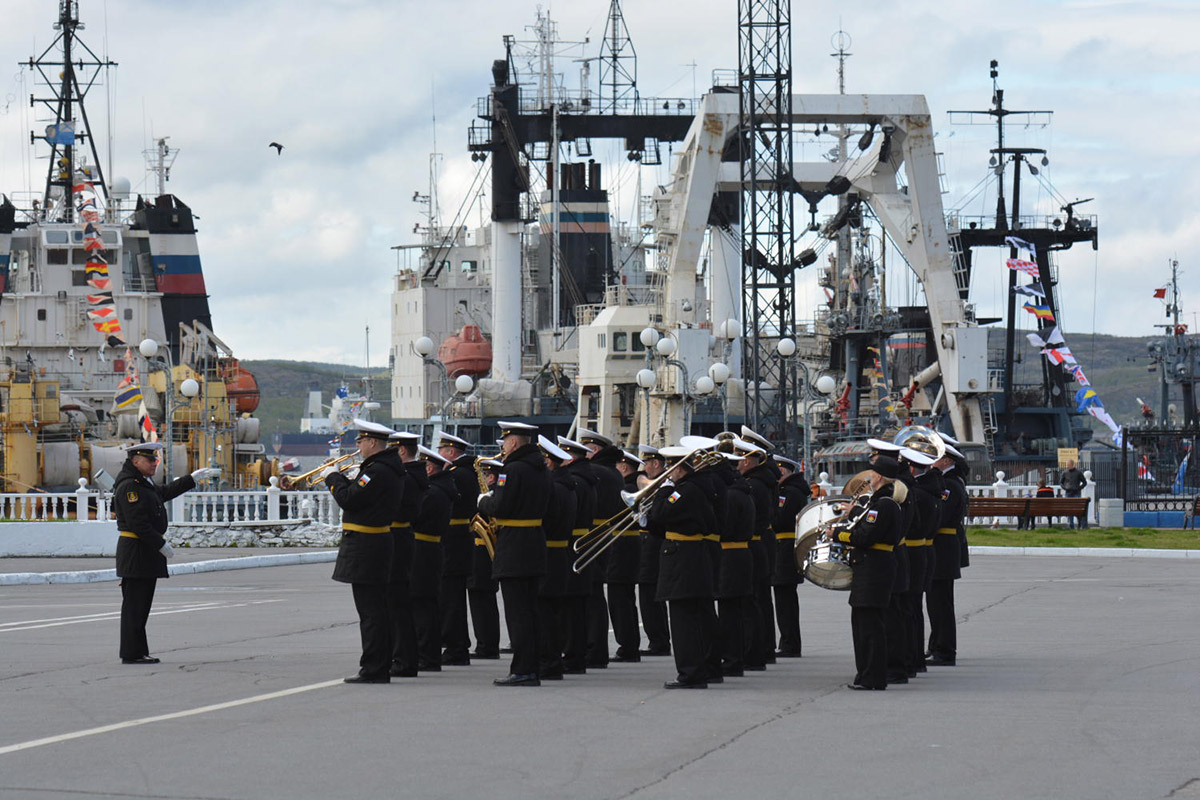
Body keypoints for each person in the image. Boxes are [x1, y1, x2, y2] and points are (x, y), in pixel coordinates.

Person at [113, 442, 217, 664]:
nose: (154, 464)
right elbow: (138, 523)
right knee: (135, 606)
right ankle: (132, 653)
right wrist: (160, 544)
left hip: (144, 552)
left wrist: (190, 479)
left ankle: (138, 651)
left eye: (155, 460)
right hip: (136, 551)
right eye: (150, 460)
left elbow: (164, 493)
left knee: (141, 606)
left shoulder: (142, 483)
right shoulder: (130, 486)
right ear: (136, 461)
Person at [326, 419, 406, 684]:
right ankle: (377, 665)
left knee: (371, 613)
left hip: (367, 547)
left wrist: (334, 479)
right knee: (376, 610)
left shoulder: (377, 471)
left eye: (360, 441)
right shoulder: (385, 469)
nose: (357, 446)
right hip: (375, 545)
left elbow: (349, 499)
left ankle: (374, 667)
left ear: (372, 443)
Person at [477, 421, 551, 686]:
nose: (503, 446)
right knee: (531, 612)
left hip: (516, 547)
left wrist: (484, 501)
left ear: (515, 443)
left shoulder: (513, 469)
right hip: (534, 543)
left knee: (518, 613)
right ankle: (532, 666)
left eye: (505, 440)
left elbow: (502, 505)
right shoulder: (541, 468)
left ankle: (522, 669)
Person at [647, 445, 717, 688]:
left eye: (670, 467)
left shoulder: (684, 491)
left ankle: (690, 673)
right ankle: (701, 669)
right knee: (696, 617)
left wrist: (663, 491)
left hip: (682, 559)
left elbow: (659, 514)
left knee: (683, 620)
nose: (668, 472)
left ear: (680, 468)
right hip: (694, 556)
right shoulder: (700, 488)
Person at [833, 455, 905, 691]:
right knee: (865, 624)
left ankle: (872, 677)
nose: (869, 476)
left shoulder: (883, 505)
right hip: (874, 567)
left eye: (872, 473)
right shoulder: (880, 503)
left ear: (879, 477)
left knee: (870, 627)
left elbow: (865, 536)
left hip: (874, 569)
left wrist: (836, 535)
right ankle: (866, 674)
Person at [411, 445, 457, 672]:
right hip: (430, 549)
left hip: (423, 550)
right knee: (426, 604)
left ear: (429, 469)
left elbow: (414, 516)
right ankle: (428, 653)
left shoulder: (433, 492)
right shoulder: (440, 489)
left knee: (422, 605)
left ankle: (427, 655)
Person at [536, 435, 577, 680]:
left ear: (550, 462)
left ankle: (549, 661)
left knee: (545, 612)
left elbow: (546, 520)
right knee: (553, 611)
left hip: (549, 553)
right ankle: (553, 660)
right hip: (559, 553)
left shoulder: (555, 488)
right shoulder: (567, 486)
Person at [436, 432, 477, 666]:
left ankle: (456, 647)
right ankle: (456, 645)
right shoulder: (466, 472)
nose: (439, 455)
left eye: (442, 450)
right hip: (458, 539)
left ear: (451, 452)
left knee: (451, 599)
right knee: (452, 598)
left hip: (453, 540)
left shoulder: (457, 474)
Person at [387, 430, 425, 677]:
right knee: (398, 604)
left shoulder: (407, 478)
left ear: (401, 450)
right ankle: (403, 657)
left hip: (398, 541)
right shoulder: (412, 475)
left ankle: (404, 659)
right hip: (403, 539)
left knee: (397, 605)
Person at [927, 444, 967, 667]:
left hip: (943, 548)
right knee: (936, 602)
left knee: (940, 603)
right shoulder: (948, 482)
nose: (932, 461)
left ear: (947, 461)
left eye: (937, 457)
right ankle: (936, 646)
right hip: (942, 547)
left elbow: (939, 516)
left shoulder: (949, 485)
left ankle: (944, 650)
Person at [772, 455, 809, 658]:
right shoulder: (793, 490)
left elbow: (780, 519)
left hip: (784, 547)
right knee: (785, 598)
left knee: (785, 599)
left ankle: (790, 644)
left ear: (783, 472)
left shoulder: (789, 493)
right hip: (784, 546)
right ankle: (788, 641)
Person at [635, 444, 671, 656]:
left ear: (656, 464)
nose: (644, 468)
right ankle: (657, 639)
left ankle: (659, 641)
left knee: (650, 594)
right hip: (650, 542)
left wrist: (646, 521)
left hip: (656, 542)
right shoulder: (657, 484)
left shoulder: (666, 486)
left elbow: (661, 519)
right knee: (648, 593)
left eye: (647, 463)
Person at [1059, 459, 1087, 529]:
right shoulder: (1065, 472)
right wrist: (1065, 488)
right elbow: (1061, 482)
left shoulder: (1078, 473)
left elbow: (1084, 482)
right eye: (1067, 465)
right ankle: (1071, 525)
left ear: (1072, 465)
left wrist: (1078, 488)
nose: (1067, 466)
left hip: (1076, 492)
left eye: (1068, 465)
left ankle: (1079, 524)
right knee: (1069, 509)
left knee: (1077, 509)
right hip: (1068, 492)